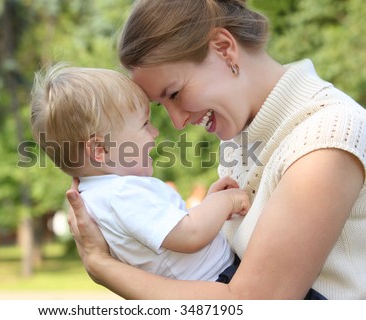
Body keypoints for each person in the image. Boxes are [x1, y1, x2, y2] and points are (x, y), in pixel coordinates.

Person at [66, 0, 366, 299]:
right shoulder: (241, 138)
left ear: (224, 48)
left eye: (174, 93)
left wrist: (102, 266)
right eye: (162, 104)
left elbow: (248, 307)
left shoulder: (326, 135)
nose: (177, 122)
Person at [30, 62, 252, 281]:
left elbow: (173, 236)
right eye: (144, 124)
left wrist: (208, 205)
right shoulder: (121, 194)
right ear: (100, 149)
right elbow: (191, 234)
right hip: (218, 280)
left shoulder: (99, 198)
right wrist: (227, 202)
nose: (154, 132)